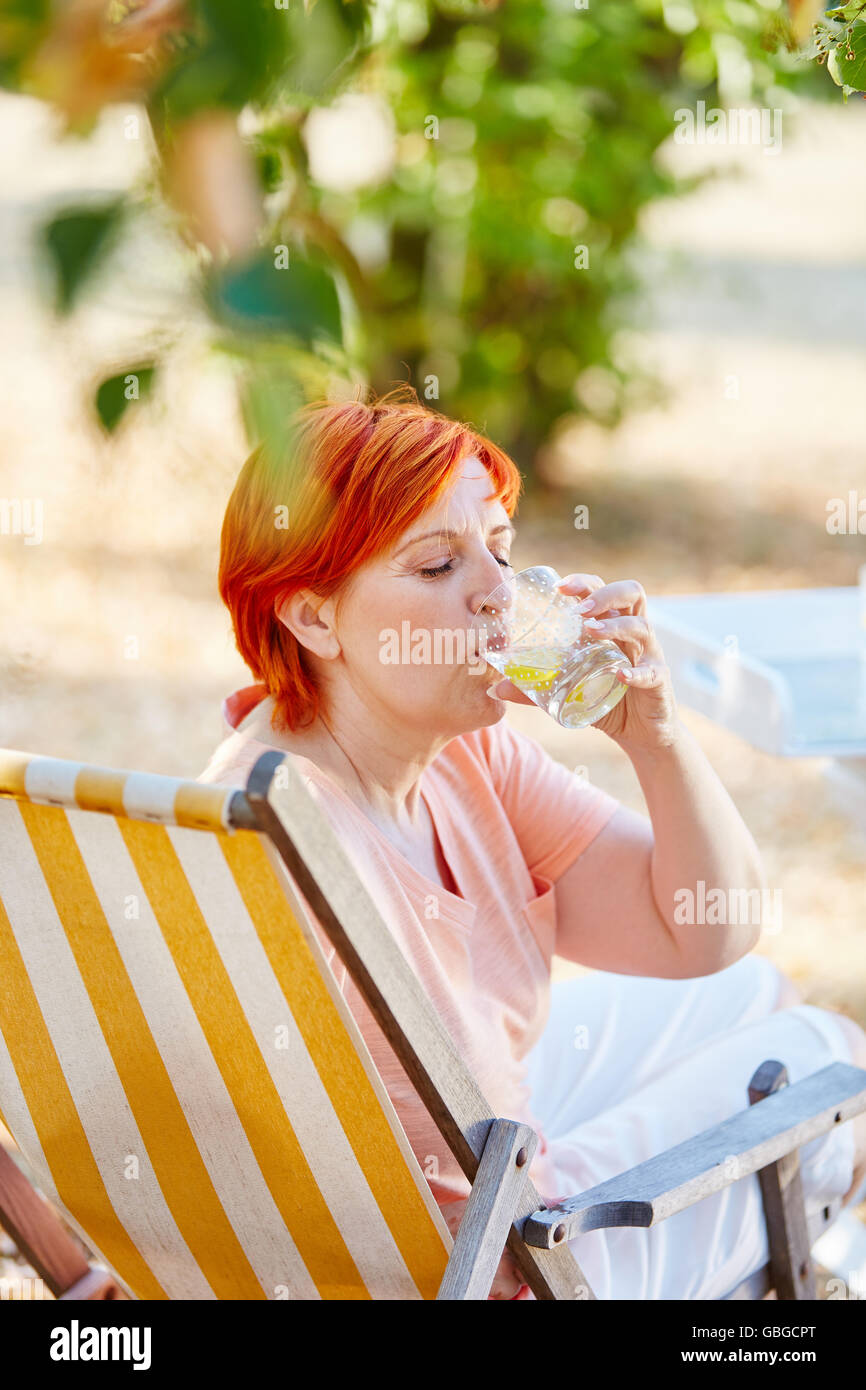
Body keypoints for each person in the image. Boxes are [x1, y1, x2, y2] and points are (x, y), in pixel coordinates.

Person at [197, 385, 866, 1300]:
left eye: (502, 553)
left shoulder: (463, 755)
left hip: (479, 1179)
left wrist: (654, 737)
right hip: (488, 1266)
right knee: (828, 1061)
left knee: (748, 995)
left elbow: (707, 929)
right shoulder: (282, 837)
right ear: (312, 618)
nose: (498, 596)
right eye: (438, 568)